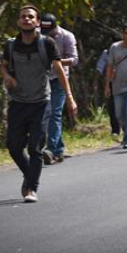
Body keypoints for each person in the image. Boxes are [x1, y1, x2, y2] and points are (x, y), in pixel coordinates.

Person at [1, 5, 77, 203]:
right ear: (18, 22)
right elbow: (3, 66)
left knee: (35, 148)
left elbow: (59, 70)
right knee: (13, 146)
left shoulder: (47, 44)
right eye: (23, 17)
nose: (26, 19)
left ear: (37, 22)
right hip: (18, 102)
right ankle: (30, 174)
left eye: (31, 17)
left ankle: (31, 188)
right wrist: (8, 77)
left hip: (41, 103)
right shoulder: (10, 45)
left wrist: (69, 96)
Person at [39, 14, 79, 165]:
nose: (46, 34)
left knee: (55, 113)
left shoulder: (67, 37)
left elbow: (74, 60)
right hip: (42, 79)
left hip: (59, 79)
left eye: (49, 31)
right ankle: (59, 149)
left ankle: (50, 149)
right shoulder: (37, 35)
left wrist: (56, 61)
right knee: (45, 114)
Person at [96, 49, 121, 136]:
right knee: (112, 107)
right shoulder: (107, 53)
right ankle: (115, 130)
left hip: (126, 82)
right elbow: (100, 67)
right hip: (111, 82)